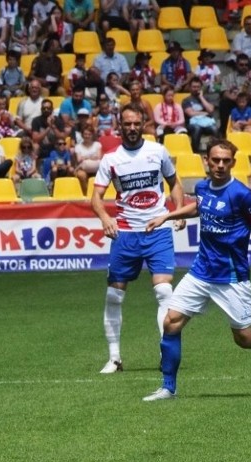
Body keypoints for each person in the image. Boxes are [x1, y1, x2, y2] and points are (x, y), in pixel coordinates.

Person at [141, 138, 251, 401]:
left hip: (232, 277)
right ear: (206, 161)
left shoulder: (241, 194)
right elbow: (200, 207)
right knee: (171, 322)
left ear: (233, 162)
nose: (220, 165)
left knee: (244, 338)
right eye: (215, 160)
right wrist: (168, 215)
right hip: (201, 272)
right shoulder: (202, 187)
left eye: (226, 160)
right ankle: (168, 387)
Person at [90, 102, 185, 374]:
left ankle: (165, 353)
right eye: (127, 124)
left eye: (136, 124)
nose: (132, 128)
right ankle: (114, 358)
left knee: (164, 291)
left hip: (157, 229)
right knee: (113, 296)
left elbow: (174, 182)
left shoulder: (158, 151)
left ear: (143, 124)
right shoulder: (111, 159)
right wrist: (105, 219)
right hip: (126, 233)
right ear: (120, 125)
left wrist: (177, 211)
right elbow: (96, 197)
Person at [182, 77, 217, 153]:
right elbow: (191, 113)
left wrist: (201, 97)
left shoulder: (206, 98)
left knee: (214, 128)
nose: (196, 89)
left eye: (198, 87)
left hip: (206, 123)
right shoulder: (186, 100)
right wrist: (205, 113)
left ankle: (216, 150)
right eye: (194, 87)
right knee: (197, 128)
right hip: (192, 124)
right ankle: (195, 152)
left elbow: (210, 110)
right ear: (190, 88)